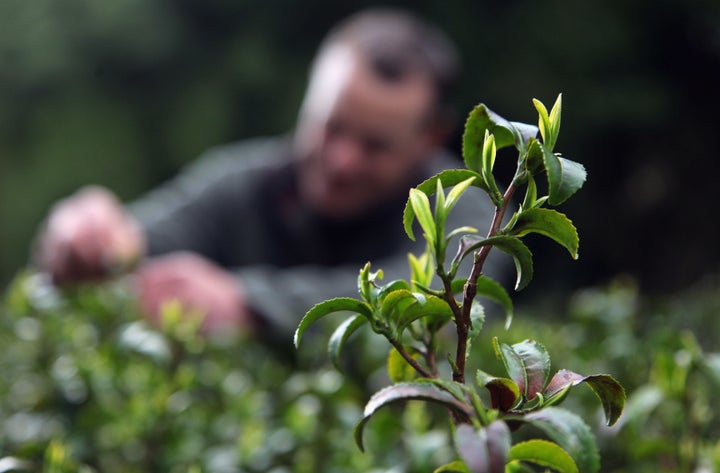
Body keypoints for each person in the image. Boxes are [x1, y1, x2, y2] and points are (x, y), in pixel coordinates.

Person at [34, 9, 506, 341]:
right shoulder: (244, 183)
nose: (342, 161)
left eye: (374, 145)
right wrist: (84, 238)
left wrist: (247, 306)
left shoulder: (465, 211)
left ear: (430, 137)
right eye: (331, 127)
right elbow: (137, 238)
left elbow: (434, 309)